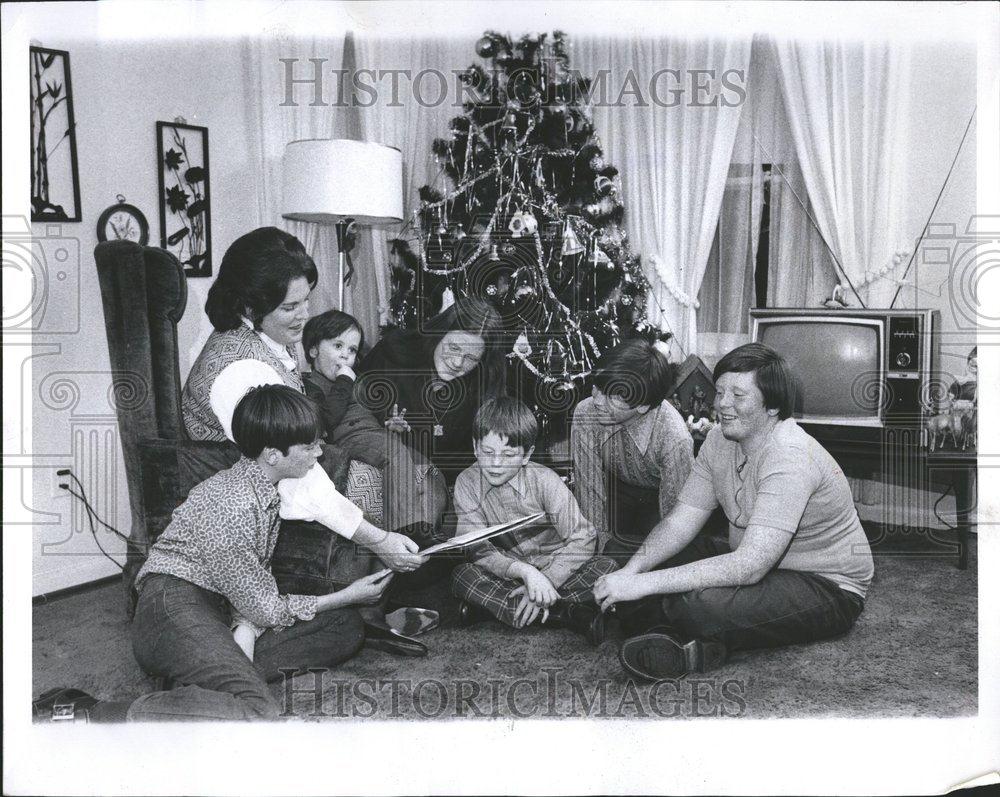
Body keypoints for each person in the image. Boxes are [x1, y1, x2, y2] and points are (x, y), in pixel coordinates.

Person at [33, 386, 393, 722]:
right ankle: (93, 713)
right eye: (310, 446)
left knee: (344, 627)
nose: (319, 453)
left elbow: (253, 596)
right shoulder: (232, 505)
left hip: (216, 609)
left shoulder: (263, 489)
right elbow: (264, 607)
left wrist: (247, 628)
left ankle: (194, 688)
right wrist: (347, 595)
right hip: (172, 608)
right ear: (273, 455)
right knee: (257, 711)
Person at [178, 227, 426, 655]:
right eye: (289, 306)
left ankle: (372, 603)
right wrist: (376, 539)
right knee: (363, 479)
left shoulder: (262, 337)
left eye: (305, 300)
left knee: (373, 466)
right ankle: (360, 609)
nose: (303, 315)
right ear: (249, 304)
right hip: (235, 486)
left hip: (267, 463)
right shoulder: (241, 370)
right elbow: (292, 476)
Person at [593, 343, 875, 681]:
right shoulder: (718, 439)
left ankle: (665, 632)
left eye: (738, 395)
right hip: (751, 556)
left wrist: (641, 587)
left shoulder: (790, 456)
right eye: (720, 391)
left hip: (826, 586)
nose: (721, 404)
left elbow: (750, 567)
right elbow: (682, 521)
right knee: (631, 557)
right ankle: (674, 639)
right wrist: (633, 573)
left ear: (772, 407)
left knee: (700, 605)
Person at [450, 397, 617, 645]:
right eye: (487, 452)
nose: (496, 463)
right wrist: (524, 572)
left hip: (557, 569)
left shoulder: (545, 480)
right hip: (509, 571)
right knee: (461, 575)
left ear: (527, 454)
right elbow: (476, 547)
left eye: (508, 455)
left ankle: (495, 609)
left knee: (608, 568)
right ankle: (564, 614)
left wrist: (547, 579)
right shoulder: (466, 483)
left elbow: (583, 537)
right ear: (475, 447)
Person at [301, 309, 443, 534]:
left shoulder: (356, 383)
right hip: (348, 439)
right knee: (392, 452)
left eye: (352, 350)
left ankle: (425, 533)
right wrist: (345, 380)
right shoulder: (310, 384)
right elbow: (327, 419)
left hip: (374, 435)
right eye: (337, 346)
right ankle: (407, 530)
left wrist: (391, 425)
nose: (345, 356)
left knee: (429, 468)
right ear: (313, 349)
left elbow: (372, 415)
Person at [570, 338, 694, 557]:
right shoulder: (587, 412)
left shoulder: (675, 437)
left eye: (614, 396)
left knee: (651, 555)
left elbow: (677, 521)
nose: (597, 401)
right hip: (615, 489)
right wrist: (596, 554)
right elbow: (588, 490)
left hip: (659, 497)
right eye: (598, 387)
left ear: (643, 405)